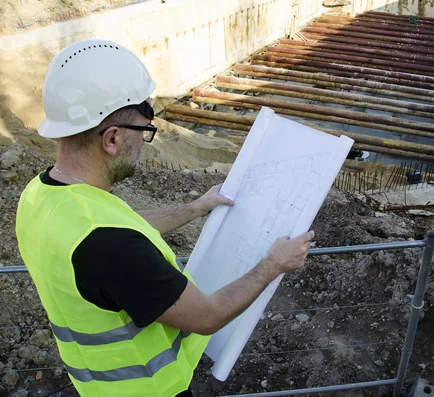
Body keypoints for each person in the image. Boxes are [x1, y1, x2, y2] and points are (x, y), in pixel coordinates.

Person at [15, 39, 315, 397]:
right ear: (111, 139)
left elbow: (122, 228)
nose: (145, 143)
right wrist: (273, 265)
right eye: (144, 133)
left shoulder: (40, 195)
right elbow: (207, 316)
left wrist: (194, 208)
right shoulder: (110, 247)